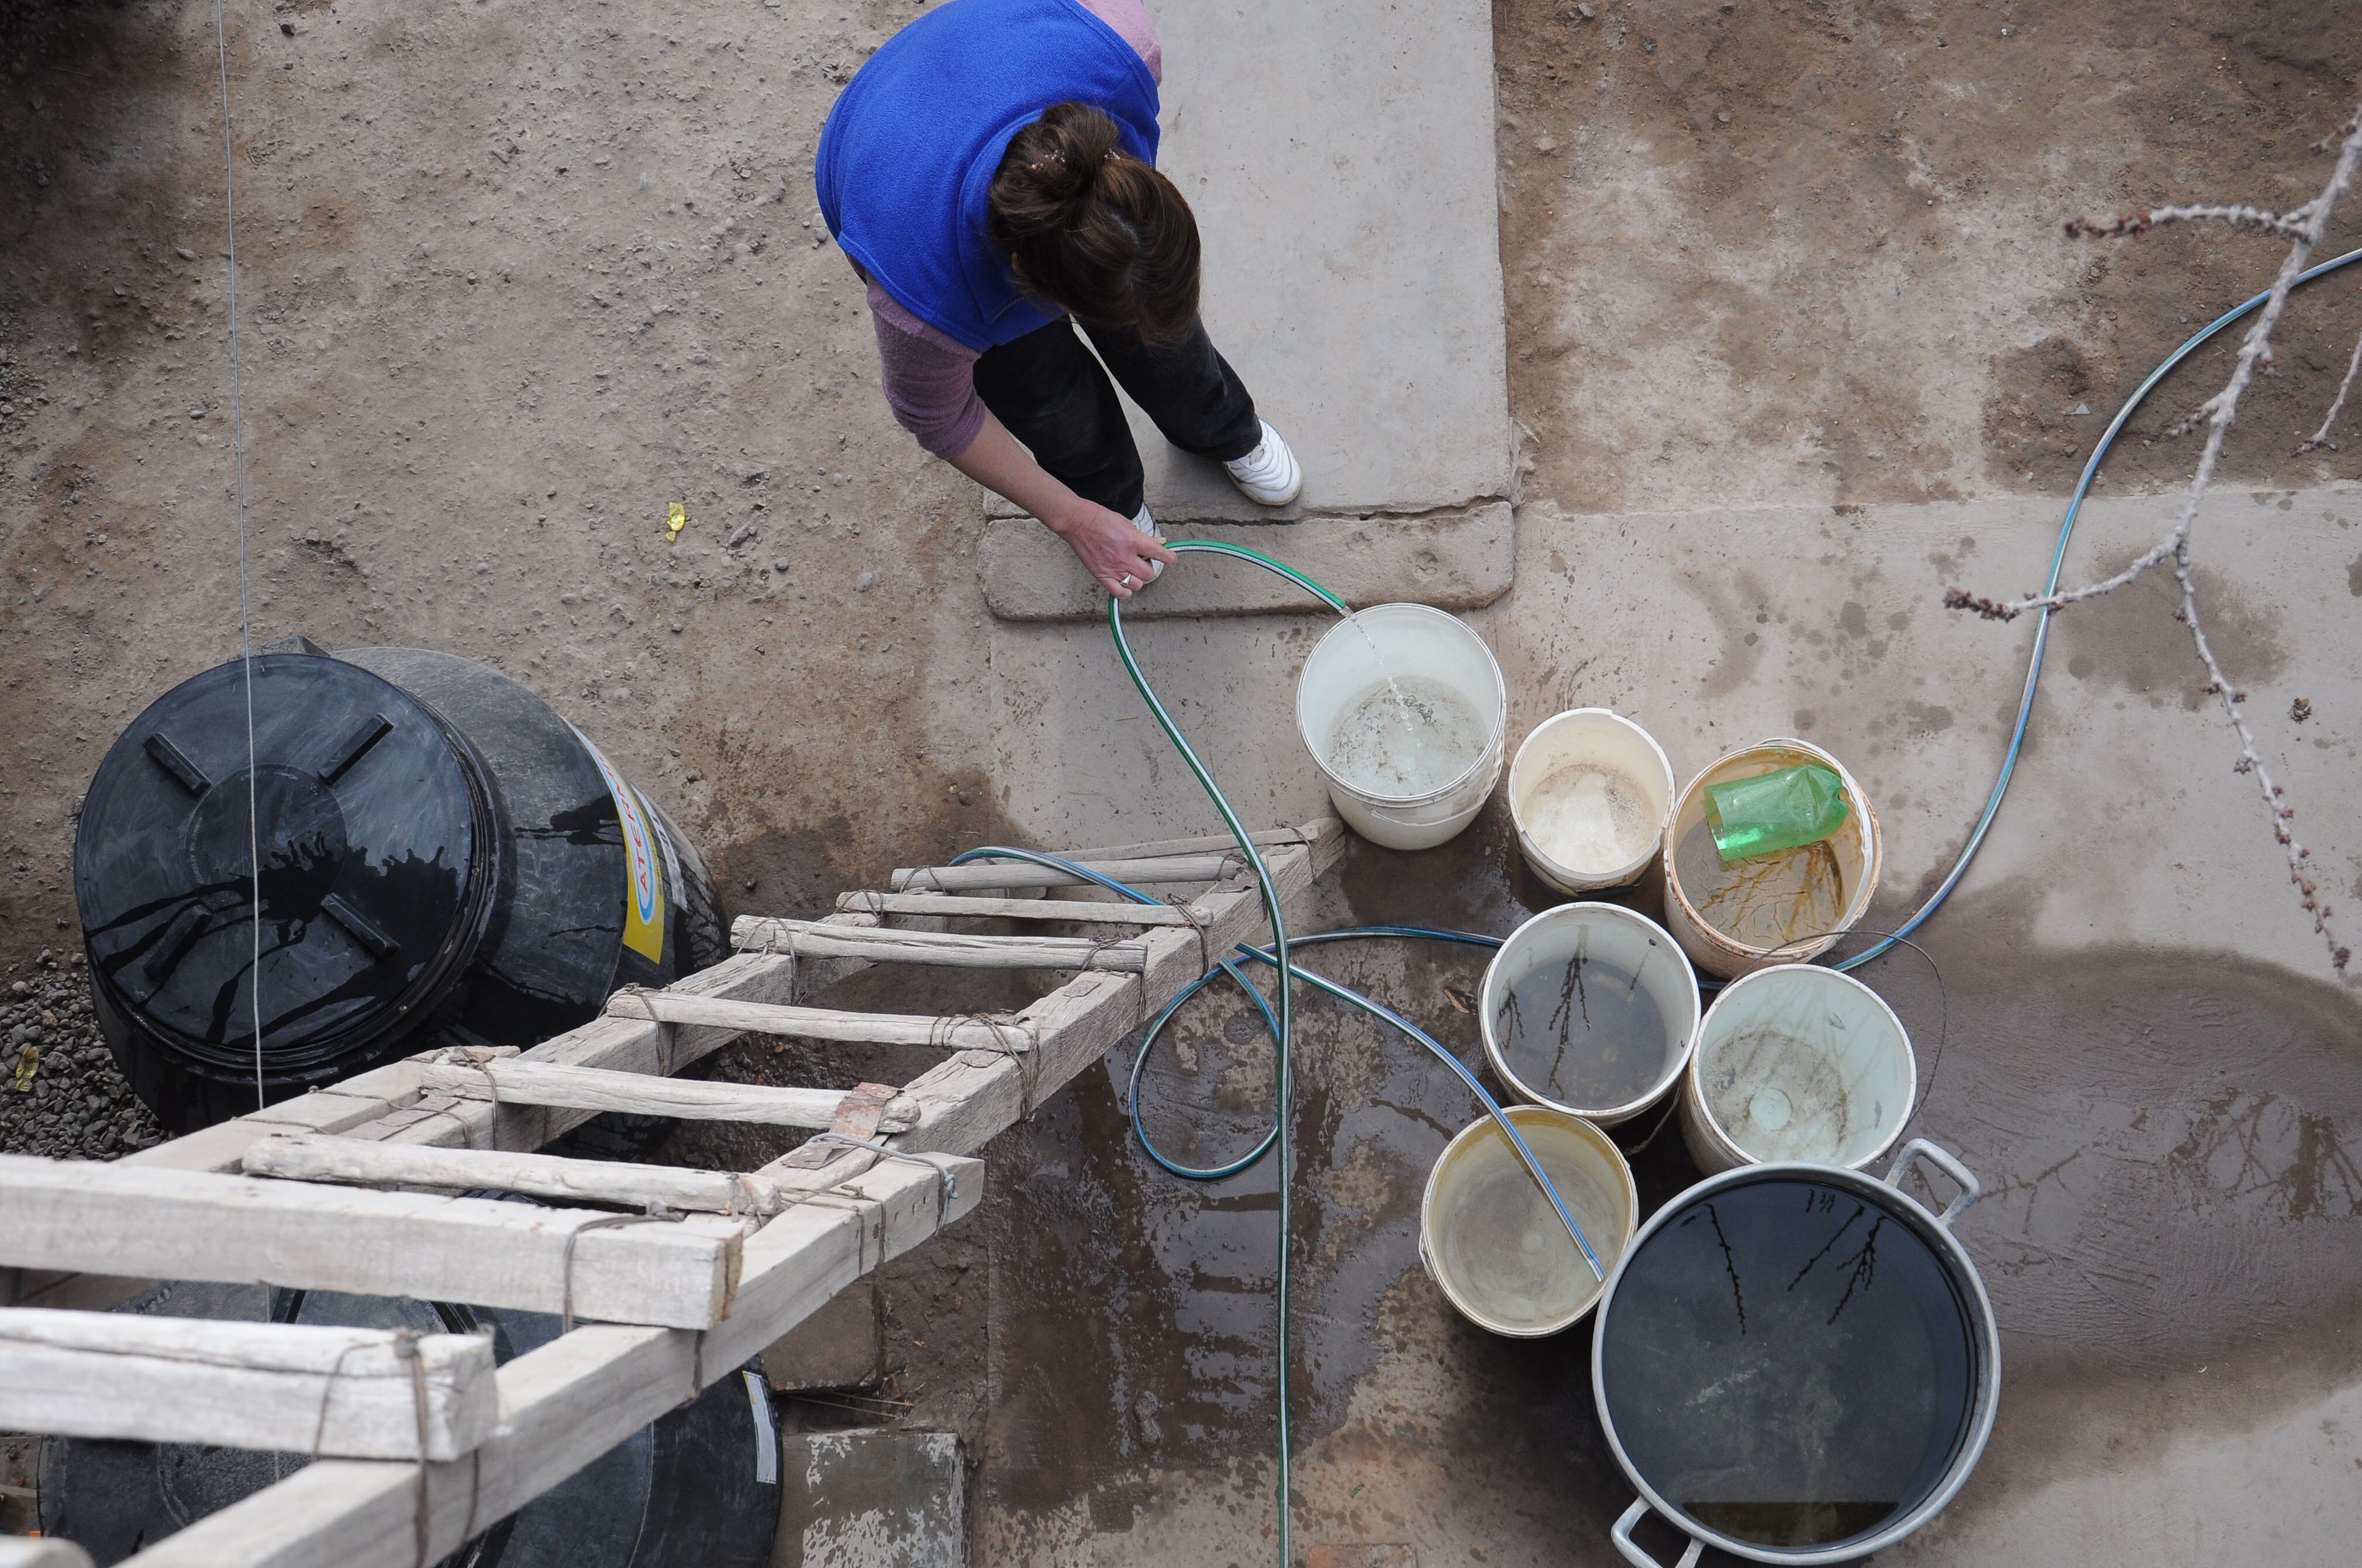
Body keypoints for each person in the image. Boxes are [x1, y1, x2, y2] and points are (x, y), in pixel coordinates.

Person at [815, 0, 1301, 600]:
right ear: (1023, 277)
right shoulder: (926, 296)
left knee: (1154, 325)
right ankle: (1110, 500)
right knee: (1043, 396)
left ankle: (1222, 426)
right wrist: (1070, 517)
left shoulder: (1118, 48)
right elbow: (935, 413)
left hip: (975, 72)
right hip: (892, 160)